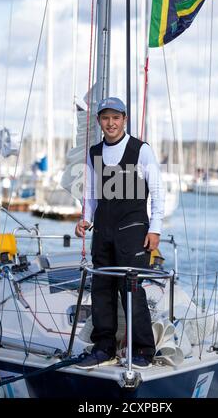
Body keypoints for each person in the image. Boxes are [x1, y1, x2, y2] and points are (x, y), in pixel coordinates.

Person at [74, 97, 165, 369]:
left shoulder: (141, 150)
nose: (110, 123)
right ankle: (104, 348)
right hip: (102, 230)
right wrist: (85, 219)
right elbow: (90, 193)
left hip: (133, 230)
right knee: (101, 288)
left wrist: (156, 229)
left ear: (124, 119)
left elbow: (158, 192)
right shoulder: (94, 152)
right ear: (100, 121)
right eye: (105, 118)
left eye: (116, 117)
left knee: (131, 289)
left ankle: (144, 351)